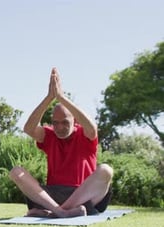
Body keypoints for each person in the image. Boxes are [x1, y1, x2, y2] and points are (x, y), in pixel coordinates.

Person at [9, 67, 113, 218]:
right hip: (52, 196)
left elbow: (91, 127)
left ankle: (54, 212)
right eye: (55, 123)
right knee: (16, 172)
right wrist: (49, 98)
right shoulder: (49, 135)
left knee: (106, 170)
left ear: (74, 121)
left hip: (83, 196)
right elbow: (28, 128)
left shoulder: (84, 135)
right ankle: (61, 212)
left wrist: (62, 97)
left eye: (65, 122)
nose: (59, 127)